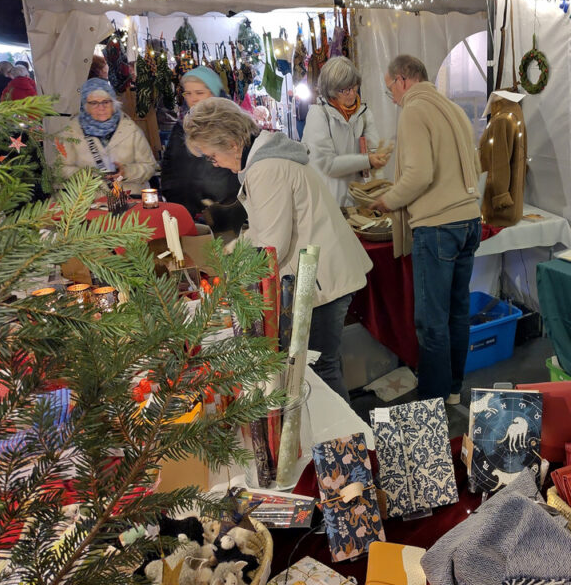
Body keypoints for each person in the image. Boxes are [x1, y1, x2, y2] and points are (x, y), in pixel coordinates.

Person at [183, 97, 372, 402]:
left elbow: (271, 247)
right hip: (319, 273)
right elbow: (265, 228)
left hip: (320, 281)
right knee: (324, 365)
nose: (214, 163)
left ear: (232, 143)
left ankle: (341, 432)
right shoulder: (266, 160)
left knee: (320, 372)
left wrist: (232, 273)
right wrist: (231, 250)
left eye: (212, 156)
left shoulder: (267, 168)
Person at [370, 55, 481, 404]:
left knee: (432, 321)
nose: (392, 97)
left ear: (403, 80)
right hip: (468, 221)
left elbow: (419, 175)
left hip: (438, 226)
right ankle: (452, 391)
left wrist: (387, 200)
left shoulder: (415, 110)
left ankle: (432, 401)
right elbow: (473, 165)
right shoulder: (454, 109)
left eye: (390, 88)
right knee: (457, 313)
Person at [160, 67, 244, 228]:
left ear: (214, 93)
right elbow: (169, 167)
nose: (193, 99)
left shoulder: (231, 124)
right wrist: (173, 198)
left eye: (199, 93)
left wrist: (225, 204)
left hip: (225, 213)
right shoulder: (181, 127)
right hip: (187, 213)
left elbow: (239, 169)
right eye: (188, 93)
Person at [301, 56, 389, 206]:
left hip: (357, 199)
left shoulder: (364, 114)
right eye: (345, 90)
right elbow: (327, 164)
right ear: (331, 91)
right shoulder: (318, 114)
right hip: (327, 202)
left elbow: (373, 152)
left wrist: (377, 164)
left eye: (354, 87)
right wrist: (367, 160)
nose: (352, 94)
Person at [58, 78, 156, 194]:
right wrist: (89, 175)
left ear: (114, 104)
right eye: (94, 103)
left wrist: (126, 172)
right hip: (87, 200)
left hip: (128, 198)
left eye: (106, 102)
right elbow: (60, 169)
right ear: (85, 106)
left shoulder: (131, 130)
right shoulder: (71, 132)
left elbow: (150, 167)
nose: (101, 107)